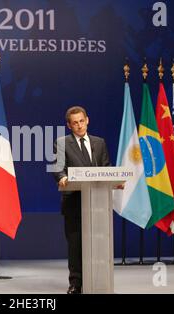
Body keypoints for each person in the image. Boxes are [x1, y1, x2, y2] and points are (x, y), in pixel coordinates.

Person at [52, 106, 110, 294]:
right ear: (69, 125)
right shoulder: (61, 143)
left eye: (81, 121)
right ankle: (76, 284)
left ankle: (98, 281)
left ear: (87, 120)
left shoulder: (99, 143)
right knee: (75, 245)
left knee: (99, 243)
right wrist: (62, 177)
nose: (79, 126)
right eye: (75, 123)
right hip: (74, 203)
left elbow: (106, 168)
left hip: (98, 204)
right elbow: (58, 167)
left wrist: (115, 182)